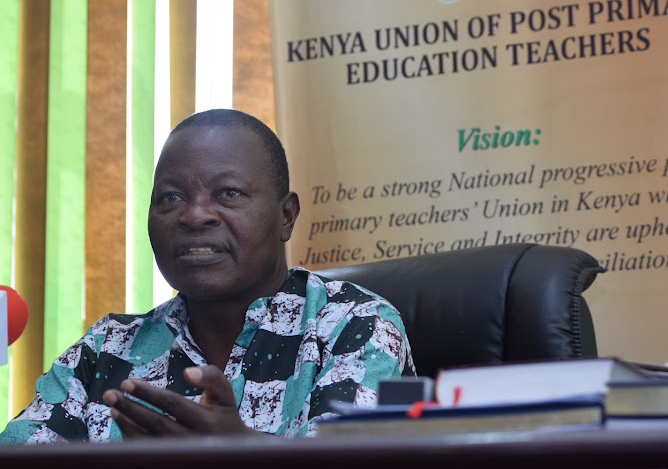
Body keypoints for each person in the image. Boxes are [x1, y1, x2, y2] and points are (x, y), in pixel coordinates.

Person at [0, 109, 415, 444]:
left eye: (228, 193)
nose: (195, 215)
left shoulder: (356, 325)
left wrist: (241, 454)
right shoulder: (107, 348)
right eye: (171, 197)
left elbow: (356, 463)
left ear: (285, 216)